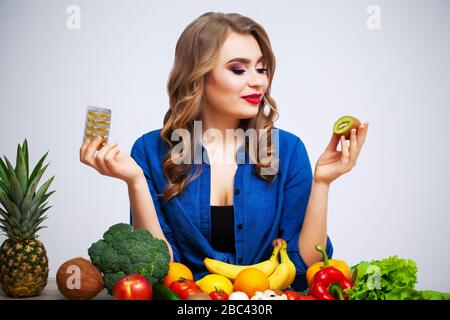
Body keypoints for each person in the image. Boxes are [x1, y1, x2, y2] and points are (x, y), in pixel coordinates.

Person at [79, 12, 369, 291]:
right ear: (198, 75)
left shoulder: (288, 151)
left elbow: (304, 270)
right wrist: (136, 182)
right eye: (238, 69)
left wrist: (322, 183)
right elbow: (160, 268)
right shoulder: (150, 151)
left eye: (262, 68)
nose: (257, 81)